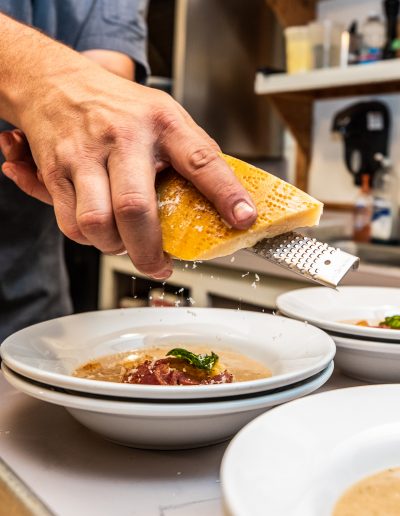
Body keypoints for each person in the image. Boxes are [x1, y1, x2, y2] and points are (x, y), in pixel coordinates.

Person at [0, 2, 257, 343]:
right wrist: (48, 86)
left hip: (30, 281)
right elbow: (83, 94)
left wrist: (108, 156)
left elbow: (107, 77)